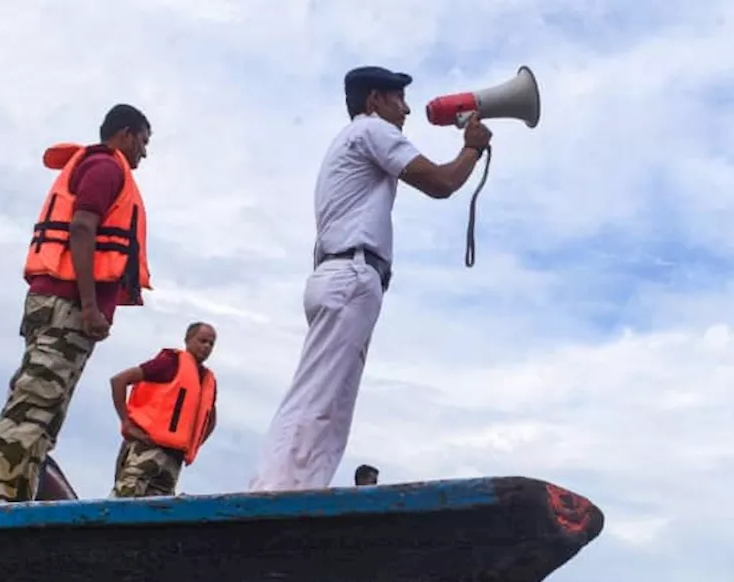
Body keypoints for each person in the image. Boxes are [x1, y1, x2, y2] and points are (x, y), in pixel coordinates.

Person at [248, 66, 492, 493]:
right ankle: (273, 491)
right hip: (351, 273)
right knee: (320, 396)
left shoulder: (350, 140)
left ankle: (301, 490)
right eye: (399, 99)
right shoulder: (371, 131)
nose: (407, 109)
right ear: (374, 100)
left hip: (345, 275)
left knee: (333, 401)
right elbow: (440, 183)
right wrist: (471, 149)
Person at [0, 104, 155, 504]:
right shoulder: (107, 168)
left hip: (63, 307)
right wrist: (89, 304)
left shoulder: (102, 167)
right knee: (33, 408)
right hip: (66, 304)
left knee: (44, 414)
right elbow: (82, 226)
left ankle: (12, 500)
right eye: (143, 141)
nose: (144, 152)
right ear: (125, 134)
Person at [109, 322, 219, 497]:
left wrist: (192, 445)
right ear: (188, 339)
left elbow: (210, 420)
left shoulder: (207, 380)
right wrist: (126, 423)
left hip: (174, 458)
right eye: (202, 341)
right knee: (125, 499)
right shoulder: (170, 363)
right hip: (147, 448)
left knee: (157, 510)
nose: (206, 347)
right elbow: (119, 380)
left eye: (211, 344)